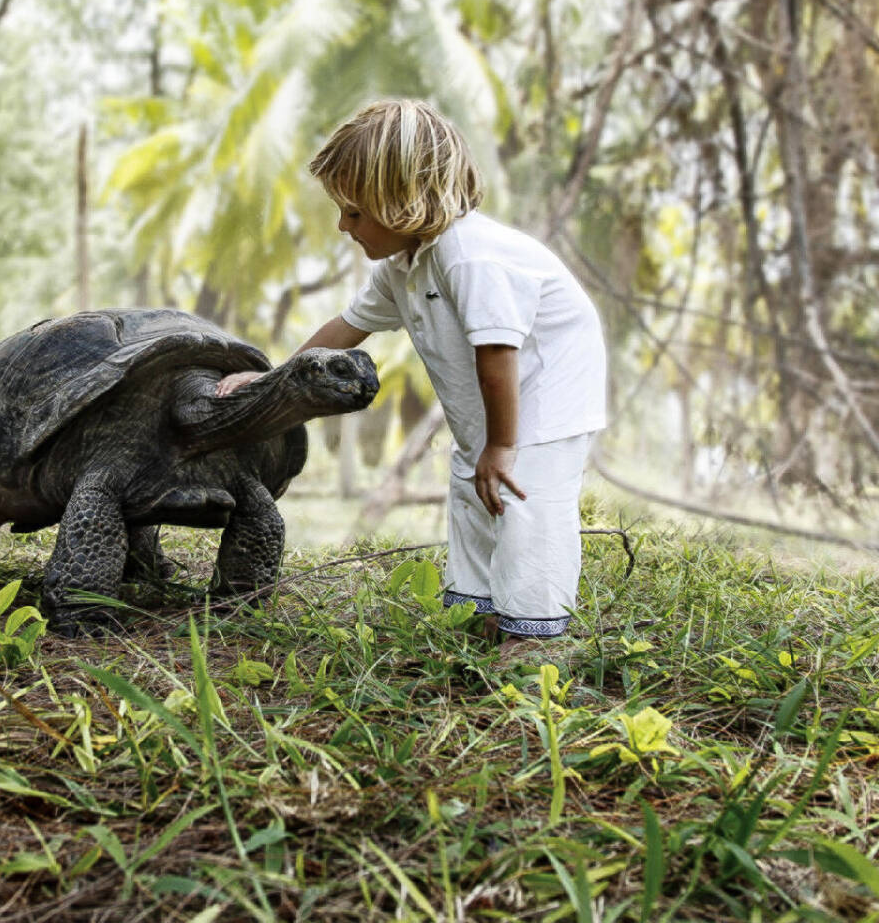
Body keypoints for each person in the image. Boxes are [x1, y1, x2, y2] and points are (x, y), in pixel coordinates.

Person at [218, 99, 607, 648]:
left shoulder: (470, 255)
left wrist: (502, 445)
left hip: (546, 399)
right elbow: (345, 328)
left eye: (355, 213)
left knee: (525, 506)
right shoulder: (401, 268)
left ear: (404, 202)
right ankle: (482, 611)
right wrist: (271, 381)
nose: (342, 225)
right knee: (474, 494)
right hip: (491, 413)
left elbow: (498, 352)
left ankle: (536, 639)